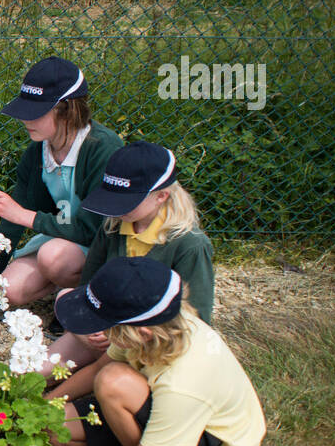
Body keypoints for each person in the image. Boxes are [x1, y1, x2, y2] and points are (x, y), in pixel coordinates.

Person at [40, 256, 266, 446]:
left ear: (140, 334)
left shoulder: (183, 385)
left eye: (103, 326)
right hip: (160, 406)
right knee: (53, 429)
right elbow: (98, 367)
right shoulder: (157, 321)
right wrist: (49, 402)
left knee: (113, 382)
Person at [42, 141, 214, 375]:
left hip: (151, 346)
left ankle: (102, 371)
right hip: (105, 334)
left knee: (109, 380)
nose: (115, 208)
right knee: (34, 373)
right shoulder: (113, 225)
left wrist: (122, 332)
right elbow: (88, 285)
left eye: (125, 201)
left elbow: (196, 321)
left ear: (162, 196)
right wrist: (93, 325)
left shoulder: (190, 245)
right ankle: (96, 365)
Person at [0, 56, 123, 307]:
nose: (26, 120)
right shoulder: (38, 151)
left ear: (68, 109)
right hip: (61, 239)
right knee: (7, 290)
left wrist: (27, 217)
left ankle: (82, 299)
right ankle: (64, 287)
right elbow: (11, 225)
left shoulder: (103, 148)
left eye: (35, 113)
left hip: (101, 248)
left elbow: (95, 230)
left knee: (52, 257)